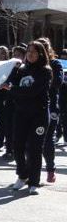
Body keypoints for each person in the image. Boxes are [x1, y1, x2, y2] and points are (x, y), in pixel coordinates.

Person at [3, 41, 52, 194]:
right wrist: (14, 71)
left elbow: (31, 91)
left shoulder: (45, 71)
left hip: (39, 115)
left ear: (40, 54)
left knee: (34, 149)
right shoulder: (22, 70)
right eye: (28, 51)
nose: (30, 54)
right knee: (17, 146)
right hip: (21, 113)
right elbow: (9, 84)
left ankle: (34, 182)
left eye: (34, 52)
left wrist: (13, 89)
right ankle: (22, 175)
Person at [38, 38, 63, 184]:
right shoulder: (31, 64)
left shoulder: (55, 64)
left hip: (51, 107)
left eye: (44, 48)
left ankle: (50, 169)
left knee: (48, 140)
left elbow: (58, 82)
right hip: (33, 107)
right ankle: (28, 172)